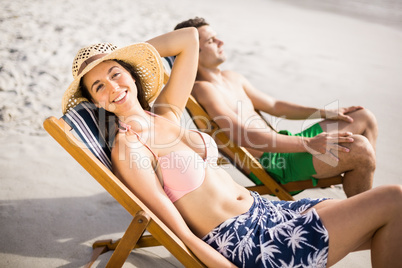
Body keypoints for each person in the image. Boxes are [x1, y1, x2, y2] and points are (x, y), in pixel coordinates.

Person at [61, 27, 402, 267]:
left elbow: (188, 39)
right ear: (96, 102)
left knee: (389, 223)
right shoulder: (129, 147)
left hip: (272, 213)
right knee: (393, 201)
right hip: (250, 244)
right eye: (98, 86)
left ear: (132, 75)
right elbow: (177, 232)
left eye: (116, 73)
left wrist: (124, 55)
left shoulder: (165, 113)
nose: (113, 87)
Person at [174, 17, 378, 197]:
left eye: (217, 36)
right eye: (211, 40)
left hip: (288, 143)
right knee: (360, 149)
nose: (221, 42)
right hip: (277, 166)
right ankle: (368, 214)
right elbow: (241, 134)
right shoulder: (203, 89)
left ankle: (358, 183)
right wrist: (308, 143)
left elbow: (275, 105)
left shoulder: (232, 78)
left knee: (362, 116)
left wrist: (324, 112)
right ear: (195, 53)